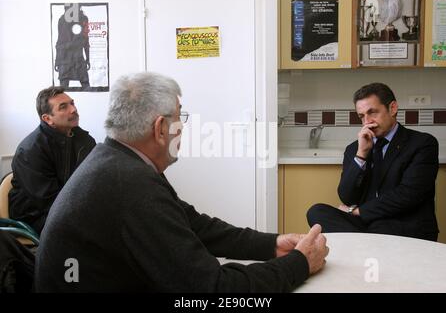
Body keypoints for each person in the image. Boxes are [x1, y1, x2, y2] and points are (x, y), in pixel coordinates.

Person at [35, 72, 328, 292]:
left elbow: (194, 225)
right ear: (161, 128)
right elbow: (213, 291)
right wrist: (299, 264)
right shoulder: (131, 184)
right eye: (180, 117)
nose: (183, 127)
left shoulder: (116, 161)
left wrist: (271, 245)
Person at [307, 82, 439, 241]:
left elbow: (409, 195)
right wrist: (361, 154)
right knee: (317, 212)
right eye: (362, 116)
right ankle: (371, 245)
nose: (367, 122)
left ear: (393, 108)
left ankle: (366, 247)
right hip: (367, 224)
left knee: (379, 229)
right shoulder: (355, 148)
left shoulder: (422, 143)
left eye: (372, 112)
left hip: (405, 223)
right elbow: (347, 197)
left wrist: (357, 212)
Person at [8, 86, 96, 234]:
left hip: (71, 206)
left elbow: (94, 180)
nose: (73, 109)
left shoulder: (85, 140)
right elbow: (49, 202)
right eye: (63, 107)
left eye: (72, 103)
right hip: (35, 216)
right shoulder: (30, 150)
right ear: (47, 119)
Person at [54, 3, 91, 90]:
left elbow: (59, 42)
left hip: (70, 59)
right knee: (64, 88)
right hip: (69, 59)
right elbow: (60, 41)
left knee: (65, 87)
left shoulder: (63, 19)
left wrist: (57, 60)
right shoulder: (64, 19)